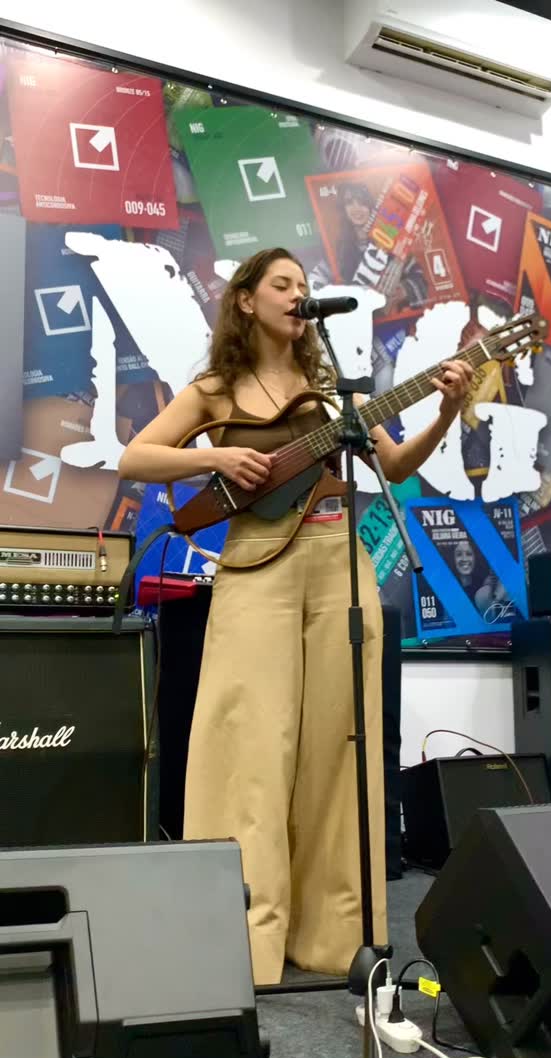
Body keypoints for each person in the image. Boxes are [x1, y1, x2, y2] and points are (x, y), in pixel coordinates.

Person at [118, 247, 472, 986]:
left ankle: (333, 937)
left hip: (338, 561)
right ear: (246, 300)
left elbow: (395, 467)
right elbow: (136, 458)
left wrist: (446, 409)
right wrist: (215, 461)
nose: (297, 294)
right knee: (251, 748)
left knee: (339, 750)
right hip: (256, 567)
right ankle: (244, 940)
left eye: (304, 285)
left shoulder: (330, 391)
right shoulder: (216, 387)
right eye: (282, 284)